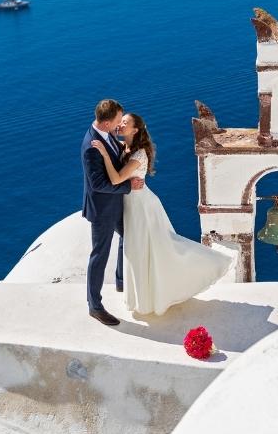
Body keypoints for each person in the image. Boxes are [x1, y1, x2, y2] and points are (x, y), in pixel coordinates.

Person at [91, 112, 233, 315]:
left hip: (141, 207)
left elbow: (115, 180)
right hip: (131, 204)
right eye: (120, 122)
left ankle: (208, 264)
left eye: (125, 123)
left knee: (151, 249)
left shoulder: (139, 154)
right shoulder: (124, 147)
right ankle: (139, 294)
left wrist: (104, 155)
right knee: (137, 249)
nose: (120, 125)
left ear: (135, 129)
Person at [81, 99, 144, 326]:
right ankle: (95, 306)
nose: (120, 124)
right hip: (102, 209)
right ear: (106, 122)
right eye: (118, 120)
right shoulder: (91, 146)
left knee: (127, 236)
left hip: (116, 203)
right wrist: (128, 186)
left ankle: (120, 280)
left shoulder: (105, 135)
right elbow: (97, 183)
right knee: (99, 255)